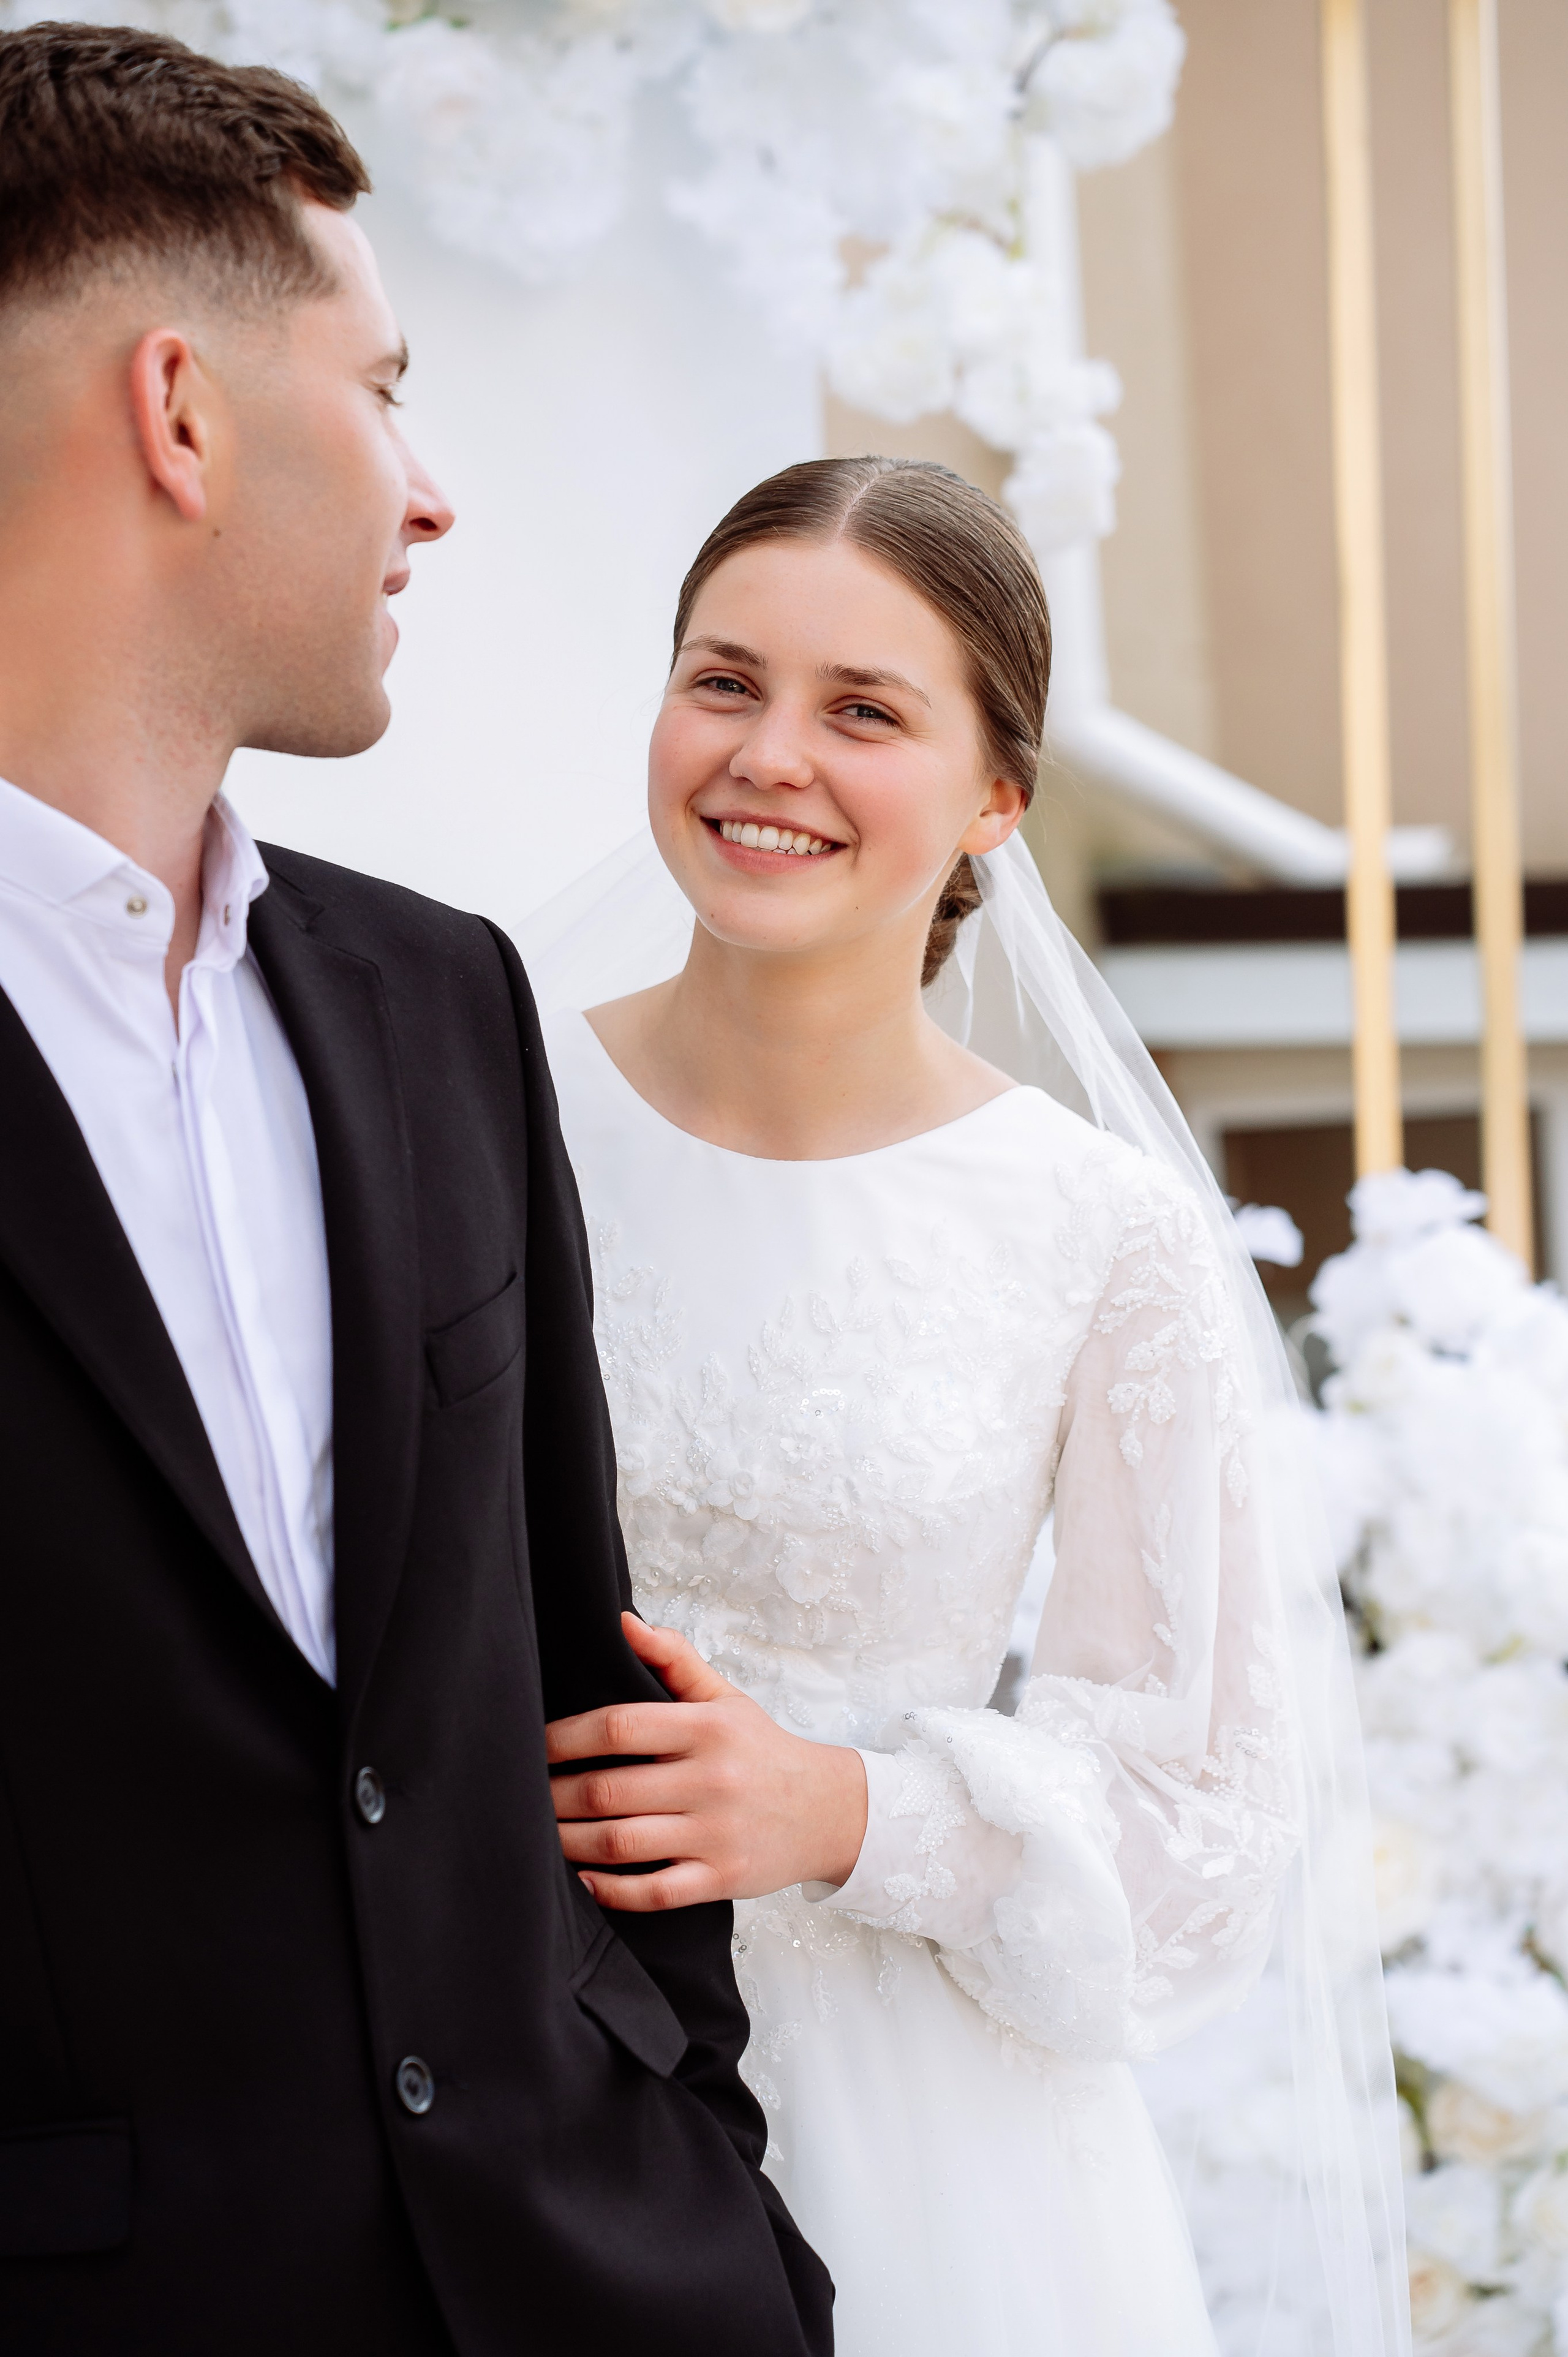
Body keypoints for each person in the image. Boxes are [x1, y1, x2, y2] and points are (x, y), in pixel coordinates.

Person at [0, 26, 831, 2356]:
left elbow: (572, 1680)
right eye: (382, 388)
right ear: (180, 413)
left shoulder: (438, 1003)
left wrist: (702, 2174)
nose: (432, 492)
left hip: (601, 2278)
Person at [533, 458, 1410, 2354]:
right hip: (508, 2058)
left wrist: (847, 1810)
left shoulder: (1098, 1234)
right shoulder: (476, 1100)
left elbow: (1204, 1825)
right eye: (723, 680)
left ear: (997, 796)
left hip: (926, 2144)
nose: (771, 755)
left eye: (864, 711)